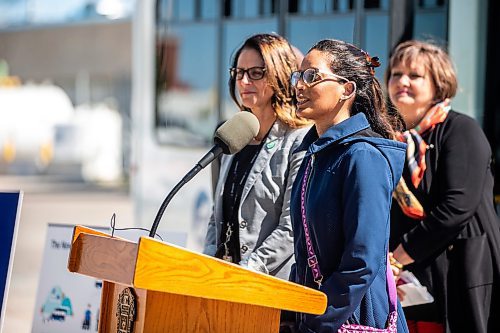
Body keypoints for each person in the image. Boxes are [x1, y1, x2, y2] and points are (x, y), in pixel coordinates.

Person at [289, 39, 409, 332]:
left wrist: (318, 321)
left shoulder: (363, 156)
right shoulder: (314, 155)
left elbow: (361, 261)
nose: (299, 86)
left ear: (347, 89)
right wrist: (289, 315)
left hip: (354, 317)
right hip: (317, 315)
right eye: (298, 76)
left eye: (311, 76)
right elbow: (306, 252)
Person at [386, 40, 500, 333]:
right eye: (396, 74)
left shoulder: (462, 130)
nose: (402, 81)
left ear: (439, 83)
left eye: (414, 75)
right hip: (414, 282)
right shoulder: (392, 139)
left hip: (461, 274)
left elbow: (457, 207)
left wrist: (399, 257)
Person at [203, 33, 310, 280]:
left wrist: (250, 269)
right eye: (238, 73)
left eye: (255, 73)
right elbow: (216, 215)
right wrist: (207, 262)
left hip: (265, 285)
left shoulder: (299, 139)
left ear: (279, 75)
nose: (244, 81)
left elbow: (292, 226)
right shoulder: (235, 133)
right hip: (221, 280)